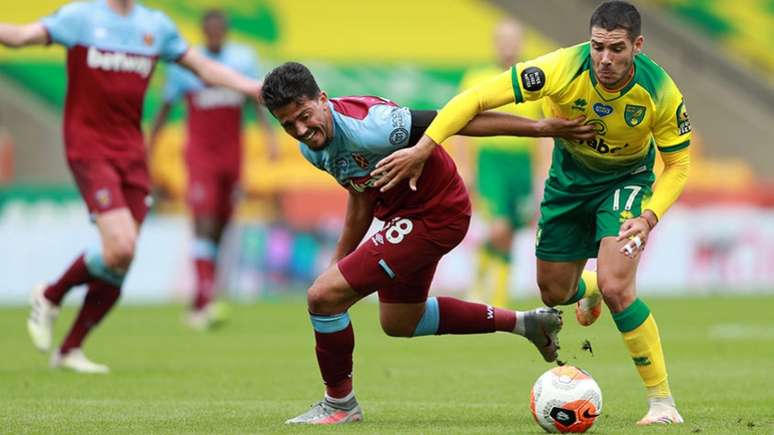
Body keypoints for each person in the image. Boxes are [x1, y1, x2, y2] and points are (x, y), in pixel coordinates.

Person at [371, 0, 691, 426]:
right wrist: (425, 147)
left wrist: (649, 216)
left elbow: (678, 164)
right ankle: (589, 287)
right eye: (598, 47)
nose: (605, 59)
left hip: (625, 183)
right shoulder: (560, 68)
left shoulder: (660, 91)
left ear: (638, 45)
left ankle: (662, 403)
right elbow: (476, 98)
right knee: (554, 292)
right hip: (567, 184)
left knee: (619, 285)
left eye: (616, 49)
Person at [261, 62, 595, 425]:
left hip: (437, 213)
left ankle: (339, 405)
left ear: (322, 100)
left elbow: (457, 119)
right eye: (288, 124)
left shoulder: (375, 125)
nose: (301, 129)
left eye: (304, 115)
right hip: (406, 218)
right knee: (401, 321)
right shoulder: (314, 148)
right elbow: (360, 196)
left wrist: (540, 128)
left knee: (321, 299)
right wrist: (338, 261)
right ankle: (527, 324)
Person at [0, 0, 263, 373]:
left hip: (132, 153)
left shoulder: (154, 26)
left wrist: (253, 87)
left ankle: (69, 349)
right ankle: (51, 294)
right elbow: (24, 35)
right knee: (120, 246)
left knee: (120, 261)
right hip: (89, 148)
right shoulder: (81, 18)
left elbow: (202, 67)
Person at [149, 10, 278, 330]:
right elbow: (166, 108)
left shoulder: (243, 60)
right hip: (200, 157)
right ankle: (206, 300)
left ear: (226, 31)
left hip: (232, 158)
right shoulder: (188, 65)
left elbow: (255, 101)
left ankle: (200, 299)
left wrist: (270, 138)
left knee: (220, 227)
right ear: (204, 31)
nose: (215, 34)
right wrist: (150, 146)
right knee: (203, 221)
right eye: (210, 29)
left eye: (220, 29)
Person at [456, 18, 550, 307]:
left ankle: (495, 293)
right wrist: (465, 166)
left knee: (510, 231)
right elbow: (459, 124)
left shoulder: (536, 81)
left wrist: (543, 174)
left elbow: (546, 131)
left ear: (521, 43)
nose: (509, 46)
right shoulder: (476, 78)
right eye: (504, 40)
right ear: (496, 44)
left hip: (521, 164)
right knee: (499, 227)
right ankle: (489, 292)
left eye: (514, 40)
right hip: (491, 162)